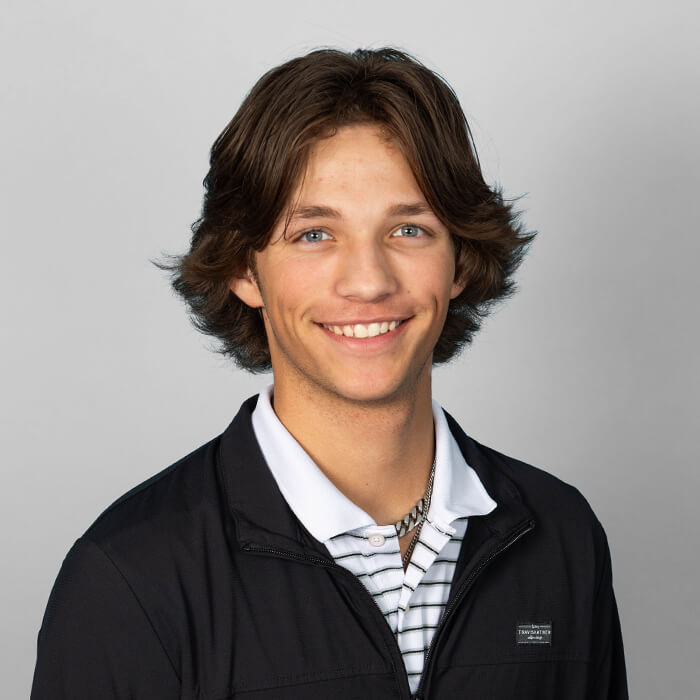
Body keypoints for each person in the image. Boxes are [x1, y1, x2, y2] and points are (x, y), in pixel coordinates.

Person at [31, 47, 628, 699]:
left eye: (408, 229)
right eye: (314, 234)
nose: (368, 282)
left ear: (460, 259)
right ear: (242, 269)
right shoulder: (131, 575)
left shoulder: (561, 534)